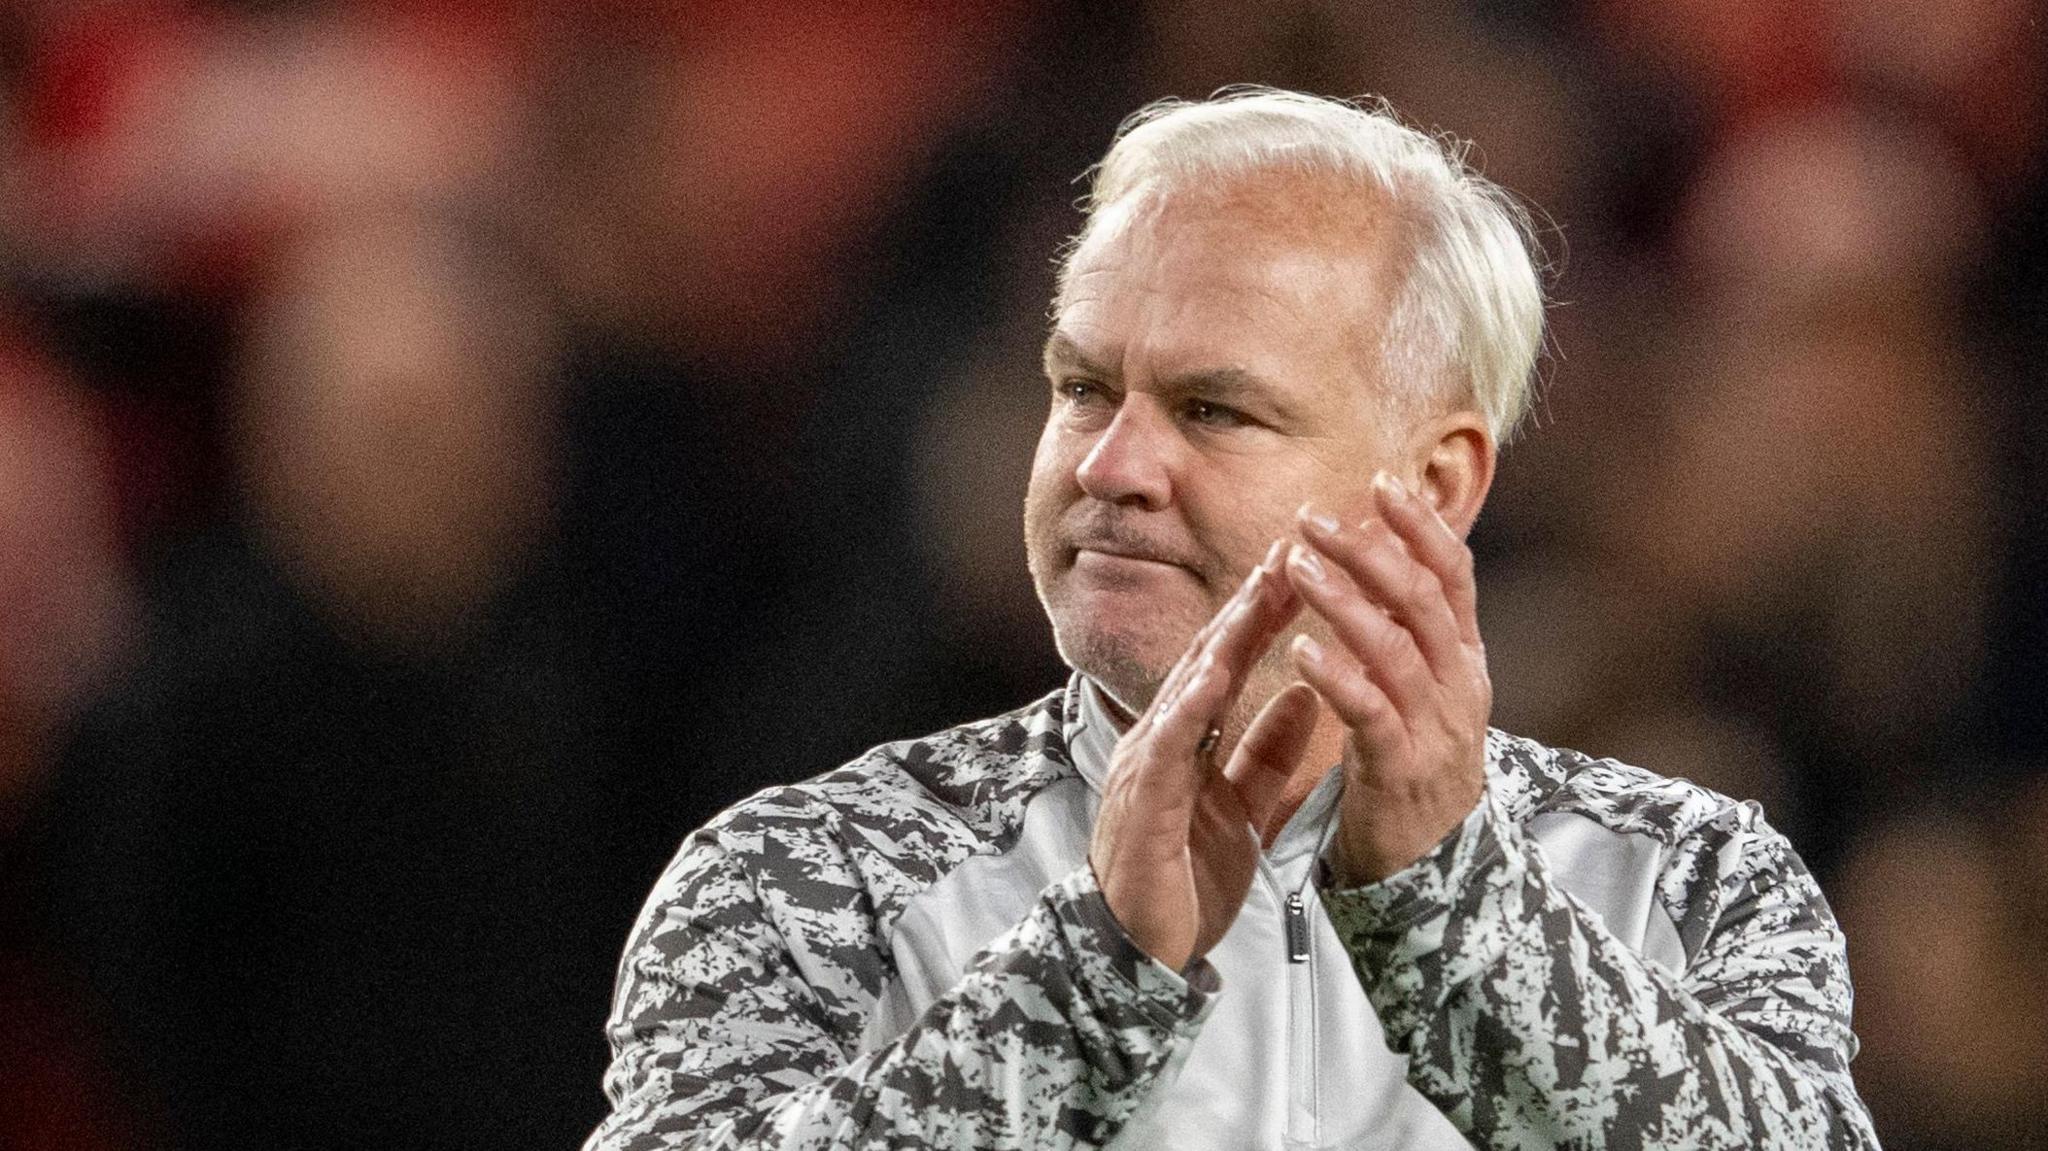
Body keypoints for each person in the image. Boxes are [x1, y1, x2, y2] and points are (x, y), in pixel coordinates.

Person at [583, 89, 1879, 1150]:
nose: (1110, 466)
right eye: (1084, 389)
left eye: (1213, 409)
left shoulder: (1684, 882)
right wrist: (1094, 976)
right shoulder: (810, 880)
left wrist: (1451, 908)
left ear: (1432, 488)